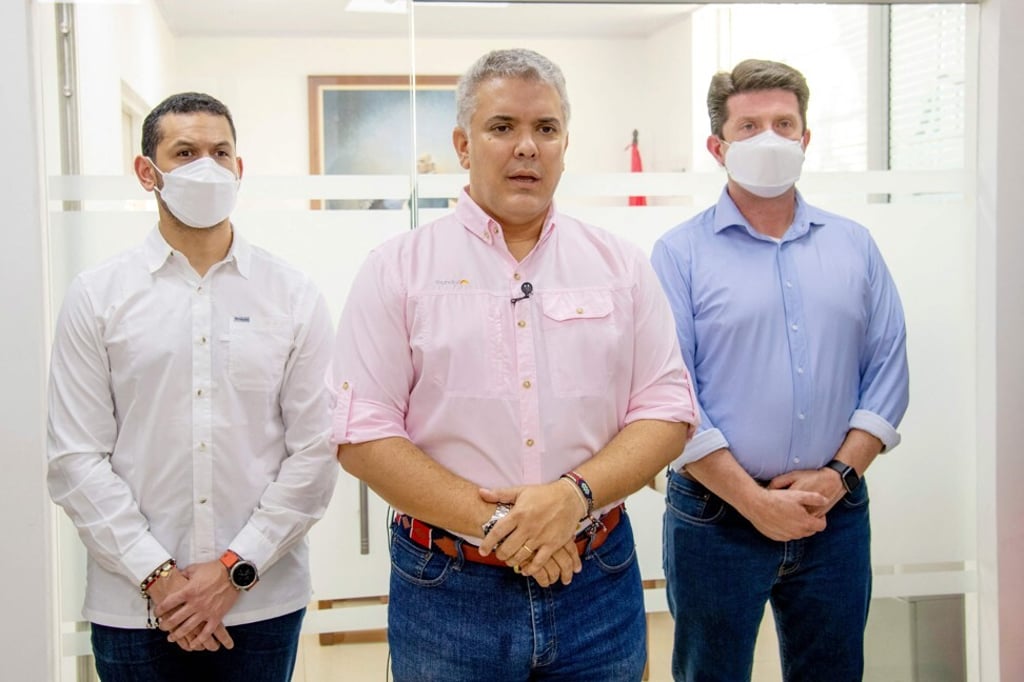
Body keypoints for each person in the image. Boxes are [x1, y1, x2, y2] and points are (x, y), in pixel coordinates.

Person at [331, 48, 698, 681]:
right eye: (502, 127)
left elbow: (667, 411)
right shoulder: (398, 269)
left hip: (596, 579)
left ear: (564, 143)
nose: (526, 146)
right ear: (463, 144)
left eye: (545, 129)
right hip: (447, 586)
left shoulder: (619, 266)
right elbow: (362, 433)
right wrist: (508, 527)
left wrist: (572, 498)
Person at [46, 92, 338, 681]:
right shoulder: (98, 296)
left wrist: (235, 568)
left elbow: (316, 449)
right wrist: (161, 577)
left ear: (239, 170)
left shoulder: (292, 294)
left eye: (219, 152)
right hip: (135, 606)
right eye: (185, 152)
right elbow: (75, 456)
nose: (206, 166)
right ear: (146, 172)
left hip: (260, 601)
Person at [651, 59, 910, 681]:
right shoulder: (679, 253)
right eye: (749, 126)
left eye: (783, 123)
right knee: (709, 673)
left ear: (805, 138)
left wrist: (839, 475)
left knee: (834, 670)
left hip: (835, 514)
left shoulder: (854, 245)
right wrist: (752, 501)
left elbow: (889, 372)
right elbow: (670, 393)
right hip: (716, 518)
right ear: (718, 147)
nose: (769, 138)